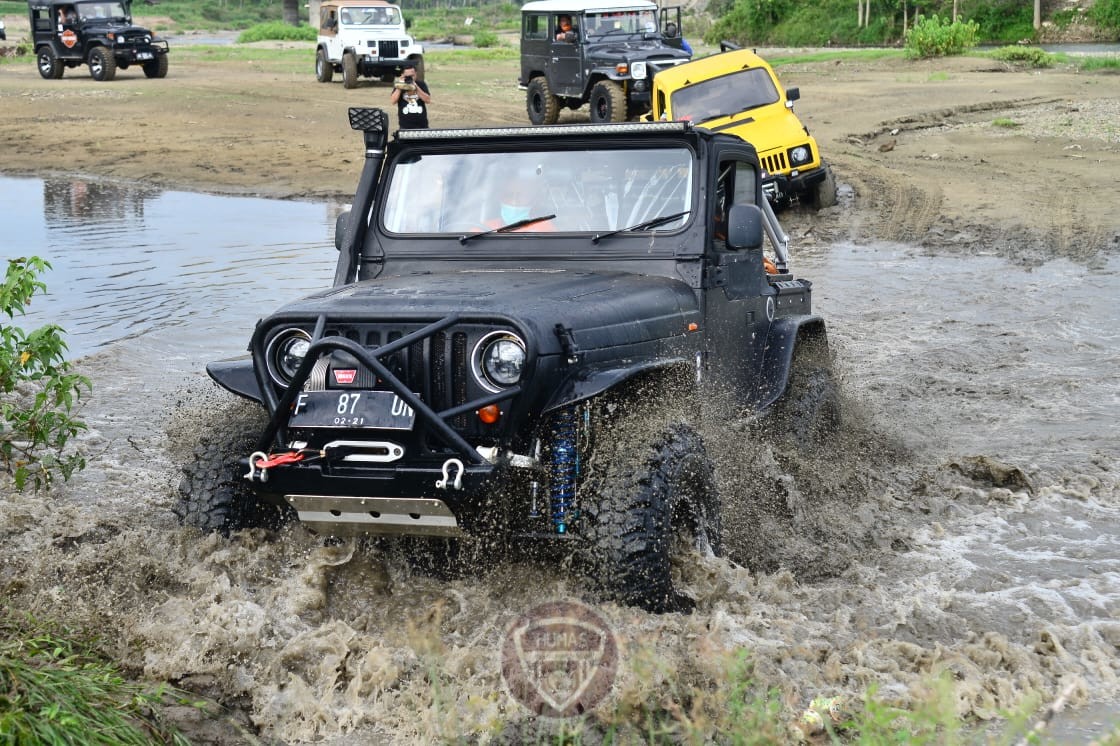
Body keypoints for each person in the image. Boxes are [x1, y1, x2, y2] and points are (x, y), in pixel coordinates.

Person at [389, 61, 431, 130]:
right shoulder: (399, 86)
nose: (410, 78)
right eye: (407, 76)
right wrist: (400, 85)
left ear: (416, 74)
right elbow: (393, 101)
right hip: (405, 126)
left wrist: (416, 87)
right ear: (402, 75)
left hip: (422, 125)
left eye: (412, 76)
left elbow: (428, 100)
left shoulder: (421, 84)